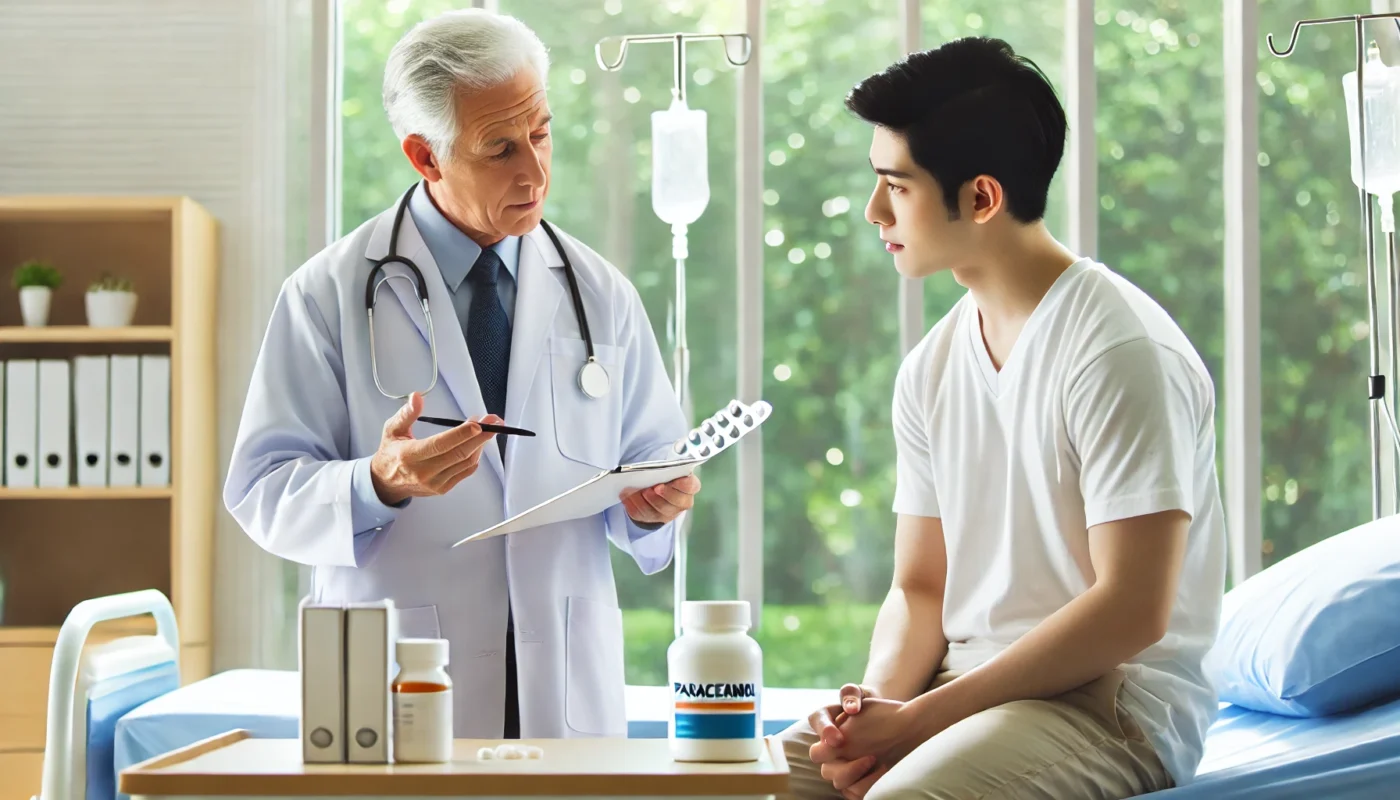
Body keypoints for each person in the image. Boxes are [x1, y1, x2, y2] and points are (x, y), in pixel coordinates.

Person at [223, 9, 700, 741]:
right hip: (392, 680)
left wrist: (653, 505)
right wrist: (377, 483)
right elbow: (259, 491)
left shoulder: (599, 293)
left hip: (563, 690)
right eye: (500, 148)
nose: (535, 171)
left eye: (540, 133)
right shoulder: (326, 295)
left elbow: (650, 468)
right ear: (425, 156)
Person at [779, 37, 1226, 800]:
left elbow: (1133, 610)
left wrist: (917, 726)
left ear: (981, 198)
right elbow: (921, 588)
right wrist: (873, 717)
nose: (873, 211)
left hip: (1105, 705)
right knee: (735, 780)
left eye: (897, 186)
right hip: (964, 692)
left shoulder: (1119, 350)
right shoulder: (932, 365)